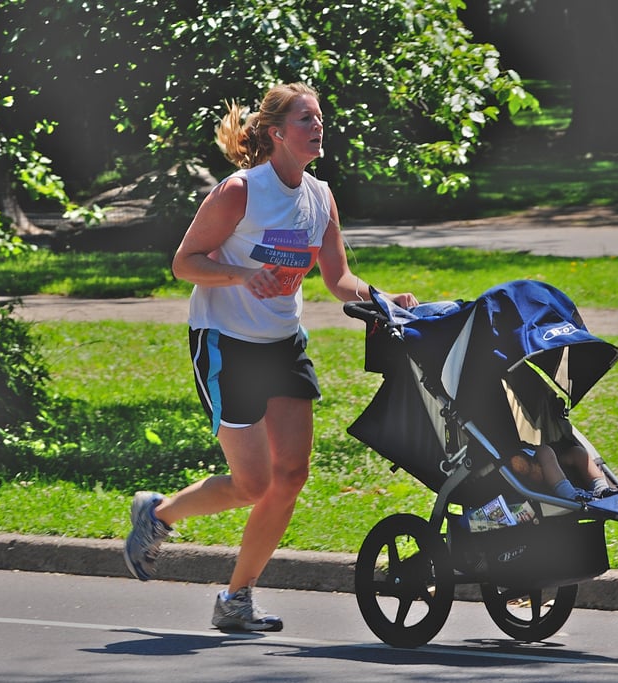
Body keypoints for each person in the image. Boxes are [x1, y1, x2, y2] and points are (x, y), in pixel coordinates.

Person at [122, 82, 417, 632]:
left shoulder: (319, 196)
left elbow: (337, 279)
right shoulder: (239, 191)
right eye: (307, 118)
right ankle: (158, 515)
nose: (318, 126)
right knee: (253, 483)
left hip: (282, 344)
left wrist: (382, 299)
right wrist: (239, 274)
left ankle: (237, 599)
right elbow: (185, 262)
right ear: (278, 132)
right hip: (225, 342)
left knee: (292, 475)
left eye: (320, 117)